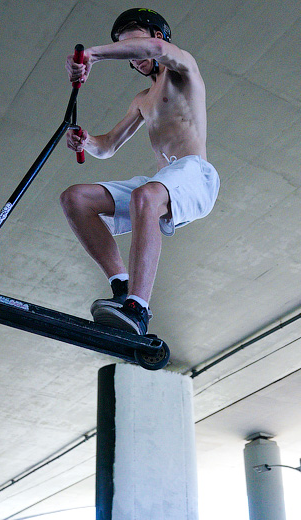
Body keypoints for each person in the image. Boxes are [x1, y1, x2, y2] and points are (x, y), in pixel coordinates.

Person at [62, 7, 220, 335]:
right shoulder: (142, 99)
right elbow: (107, 147)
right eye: (127, 51)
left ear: (156, 35)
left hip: (194, 175)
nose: (133, 57)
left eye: (131, 44)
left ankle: (138, 308)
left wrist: (93, 55)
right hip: (162, 182)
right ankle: (122, 287)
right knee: (76, 199)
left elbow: (156, 49)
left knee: (145, 195)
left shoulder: (182, 67)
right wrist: (84, 140)